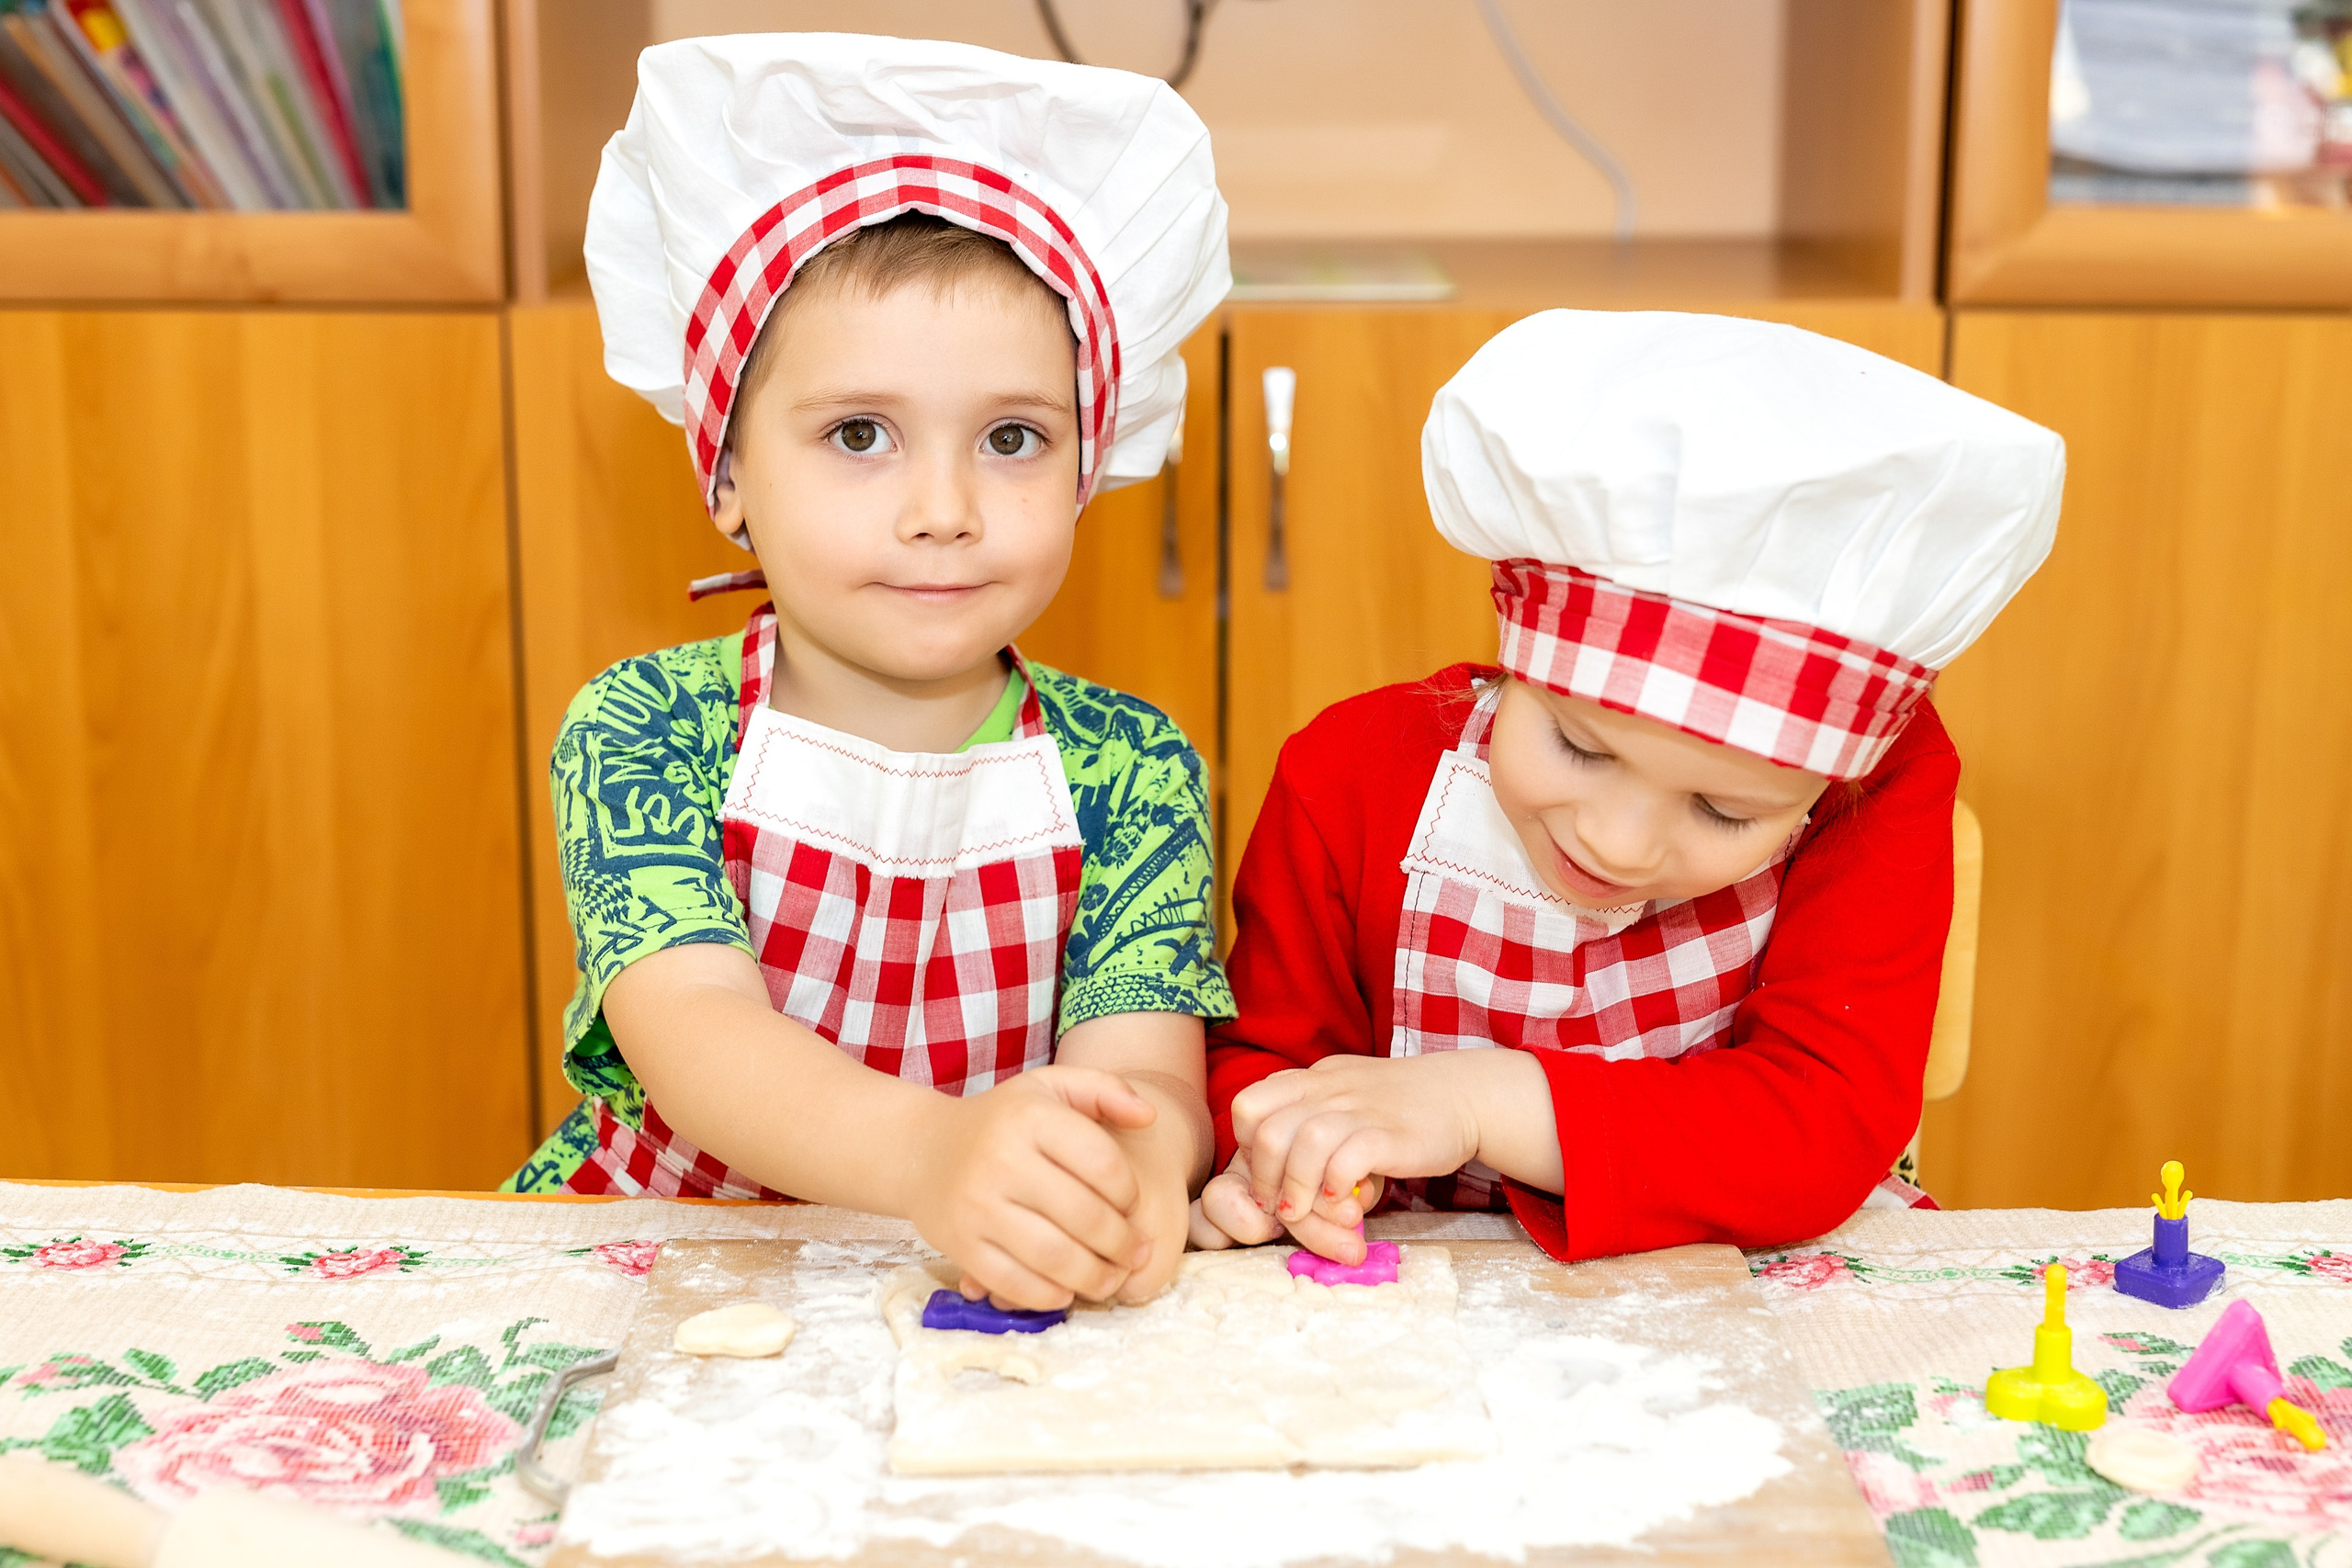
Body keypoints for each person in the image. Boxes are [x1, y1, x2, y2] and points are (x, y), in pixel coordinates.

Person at [504, 35, 1235, 1314]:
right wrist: (933, 1152)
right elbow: (697, 1036)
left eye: (1013, 437)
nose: (944, 507)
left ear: (1086, 468)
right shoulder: (644, 726)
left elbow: (1149, 1071)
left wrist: (1127, 1169)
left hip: (973, 1273)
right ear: (725, 474)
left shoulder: (1135, 763)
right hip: (661, 1262)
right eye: (860, 434)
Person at [1190, 310, 2064, 1264]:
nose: (1617, 844)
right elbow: (1260, 1067)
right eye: (1578, 746)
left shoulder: (1876, 791)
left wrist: (1478, 1100)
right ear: (1517, 658)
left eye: (1722, 811)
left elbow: (1819, 1124)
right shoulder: (1350, 775)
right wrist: (1289, 1161)